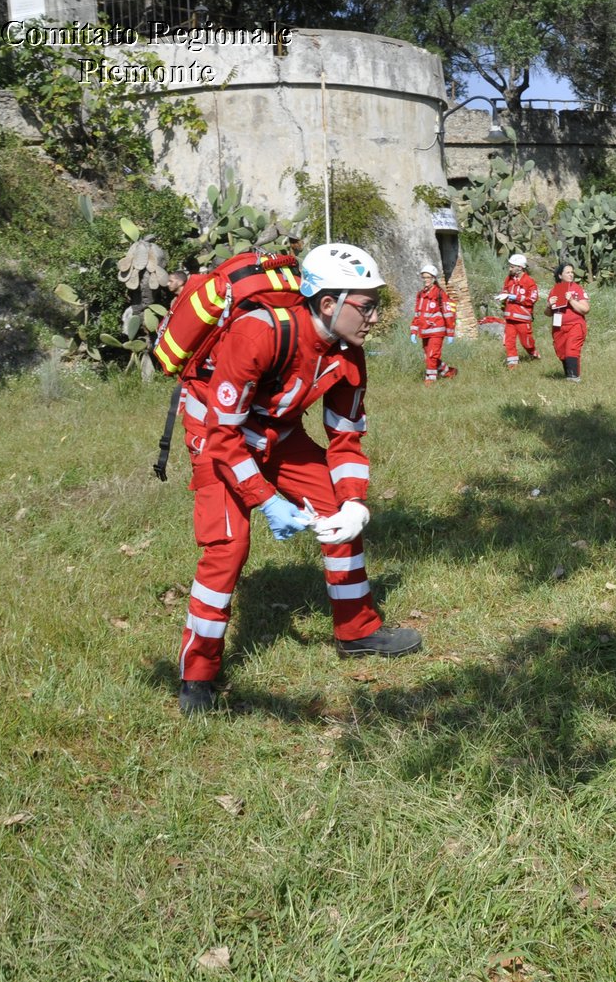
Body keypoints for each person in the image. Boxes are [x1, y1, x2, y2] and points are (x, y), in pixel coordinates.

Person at [174, 243, 423, 715]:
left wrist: (354, 503)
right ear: (328, 303)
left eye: (377, 306)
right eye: (366, 306)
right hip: (214, 429)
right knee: (228, 546)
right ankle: (197, 672)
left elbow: (345, 438)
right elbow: (224, 434)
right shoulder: (258, 332)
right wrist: (266, 499)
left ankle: (358, 631)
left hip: (278, 434)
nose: (375, 318)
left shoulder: (348, 354)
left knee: (336, 511)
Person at [411, 262, 457, 384]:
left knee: (432, 356)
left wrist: (450, 334)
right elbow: (417, 314)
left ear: (433, 278)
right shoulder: (420, 294)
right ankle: (448, 372)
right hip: (424, 330)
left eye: (428, 277)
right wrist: (413, 331)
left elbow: (448, 315)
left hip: (437, 330)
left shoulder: (440, 294)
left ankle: (430, 381)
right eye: (424, 277)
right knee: (428, 357)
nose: (425, 280)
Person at [495, 252, 540, 368]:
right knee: (509, 341)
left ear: (520, 268)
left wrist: (515, 297)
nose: (509, 268)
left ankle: (533, 353)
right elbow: (505, 290)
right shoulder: (508, 279)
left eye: (512, 266)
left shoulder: (529, 281)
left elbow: (532, 299)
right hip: (510, 317)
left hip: (522, 318)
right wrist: (503, 295)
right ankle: (512, 365)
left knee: (526, 341)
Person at [548, 263, 590, 382]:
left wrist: (571, 300)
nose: (571, 275)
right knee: (561, 352)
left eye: (572, 272)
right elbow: (548, 313)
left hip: (575, 325)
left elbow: (585, 309)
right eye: (568, 272)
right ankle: (569, 376)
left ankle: (574, 378)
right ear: (560, 275)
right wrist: (548, 305)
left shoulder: (577, 289)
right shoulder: (554, 290)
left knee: (571, 349)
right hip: (558, 326)